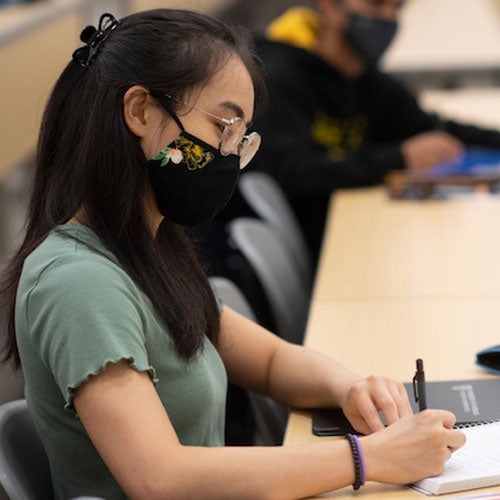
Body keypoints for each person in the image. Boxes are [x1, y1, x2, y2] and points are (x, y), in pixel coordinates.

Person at [0, 9, 465, 499]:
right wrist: (370, 458)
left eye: (240, 138)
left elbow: (267, 362)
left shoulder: (147, 251)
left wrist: (350, 386)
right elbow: (161, 478)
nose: (228, 154)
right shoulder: (78, 282)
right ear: (139, 111)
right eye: (223, 125)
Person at [238, 0, 500, 260]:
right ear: (330, 8)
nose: (388, 17)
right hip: (313, 253)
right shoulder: (276, 76)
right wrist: (398, 157)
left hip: (359, 238)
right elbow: (294, 172)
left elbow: (433, 129)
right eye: (376, 5)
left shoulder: (367, 80)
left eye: (396, 8)